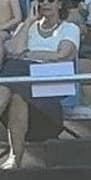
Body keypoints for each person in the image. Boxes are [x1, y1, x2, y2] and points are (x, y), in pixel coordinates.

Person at [0, 0, 79, 169]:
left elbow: (62, 55)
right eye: (40, 0)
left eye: (50, 0)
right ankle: (15, 158)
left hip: (49, 87)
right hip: (24, 84)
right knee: (16, 97)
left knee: (14, 69)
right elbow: (14, 50)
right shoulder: (28, 27)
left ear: (59, 4)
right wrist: (28, 21)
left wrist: (28, 55)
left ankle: (15, 157)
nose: (45, 4)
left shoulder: (70, 29)